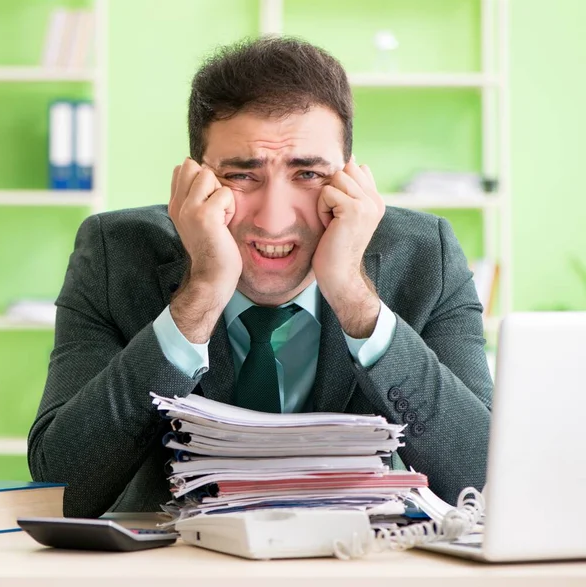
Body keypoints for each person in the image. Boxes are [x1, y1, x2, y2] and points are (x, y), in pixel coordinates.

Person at [28, 37, 492, 518]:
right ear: (195, 179)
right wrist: (202, 293)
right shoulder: (114, 253)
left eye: (308, 173)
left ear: (349, 178)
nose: (273, 220)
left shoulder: (425, 254)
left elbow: (484, 481)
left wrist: (355, 298)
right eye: (242, 175)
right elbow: (62, 492)